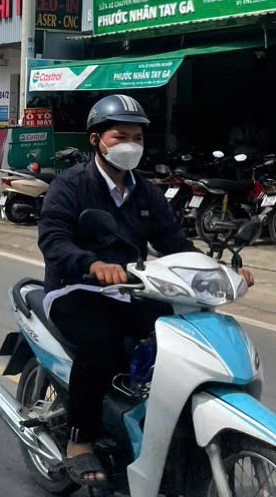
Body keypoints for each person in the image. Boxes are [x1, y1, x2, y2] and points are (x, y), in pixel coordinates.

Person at [38, 94, 255, 489]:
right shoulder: (71, 185)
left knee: (182, 335)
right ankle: (79, 441)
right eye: (120, 136)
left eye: (137, 138)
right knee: (101, 344)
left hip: (133, 288)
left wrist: (220, 271)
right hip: (74, 289)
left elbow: (174, 243)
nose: (130, 145)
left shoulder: (147, 192)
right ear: (96, 140)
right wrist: (92, 264)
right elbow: (53, 239)